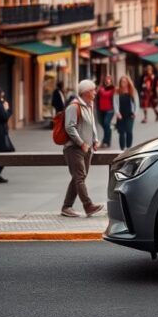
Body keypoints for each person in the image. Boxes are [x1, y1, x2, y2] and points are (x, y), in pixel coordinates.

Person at [61, 80, 104, 218]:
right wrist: (81, 143)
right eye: (93, 90)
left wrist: (95, 140)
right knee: (79, 178)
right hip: (74, 148)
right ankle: (88, 206)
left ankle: (66, 207)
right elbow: (69, 127)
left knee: (78, 177)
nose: (95, 93)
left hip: (87, 148)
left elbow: (92, 126)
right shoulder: (74, 107)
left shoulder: (89, 105)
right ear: (86, 92)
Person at [115, 76, 139, 150]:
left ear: (128, 82)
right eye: (122, 81)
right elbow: (115, 103)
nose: (123, 83)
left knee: (129, 131)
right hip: (120, 114)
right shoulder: (117, 91)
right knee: (121, 132)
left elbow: (136, 103)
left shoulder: (133, 90)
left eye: (125, 81)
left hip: (130, 114)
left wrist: (135, 112)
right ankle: (122, 149)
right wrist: (117, 113)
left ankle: (128, 148)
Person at [95, 74, 115, 148]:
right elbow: (95, 95)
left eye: (109, 79)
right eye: (106, 79)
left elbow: (105, 94)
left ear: (111, 80)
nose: (107, 80)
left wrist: (101, 89)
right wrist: (99, 88)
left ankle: (106, 142)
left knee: (106, 124)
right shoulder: (100, 88)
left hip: (109, 110)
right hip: (100, 109)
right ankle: (105, 140)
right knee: (104, 125)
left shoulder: (113, 89)